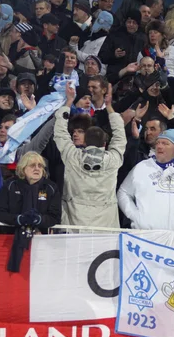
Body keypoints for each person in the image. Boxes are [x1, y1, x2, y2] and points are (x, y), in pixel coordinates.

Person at [54, 81, 126, 227]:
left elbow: (60, 131)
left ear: (85, 141)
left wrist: (69, 102)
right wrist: (109, 107)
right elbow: (119, 134)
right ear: (105, 144)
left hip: (75, 221)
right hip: (106, 224)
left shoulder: (72, 156)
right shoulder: (113, 159)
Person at [119, 129, 174, 232]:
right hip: (146, 239)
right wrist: (135, 216)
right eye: (158, 143)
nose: (159, 146)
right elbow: (123, 193)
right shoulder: (141, 168)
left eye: (165, 143)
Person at [0, 151, 61, 235]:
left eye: (40, 165)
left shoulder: (51, 188)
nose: (37, 168)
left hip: (42, 239)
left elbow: (55, 216)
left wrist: (39, 220)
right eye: (32, 165)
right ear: (23, 168)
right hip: (11, 237)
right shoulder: (10, 185)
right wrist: (19, 219)